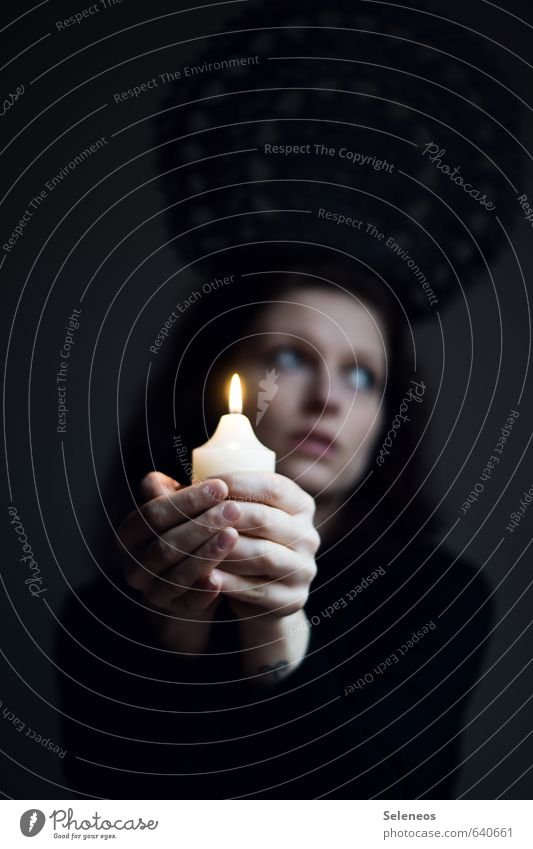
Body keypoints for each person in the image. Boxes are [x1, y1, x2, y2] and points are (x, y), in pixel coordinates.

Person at [57, 248, 493, 799]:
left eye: (361, 374)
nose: (327, 398)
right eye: (289, 358)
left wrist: (273, 630)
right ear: (212, 382)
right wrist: (179, 641)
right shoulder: (101, 617)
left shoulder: (441, 596)